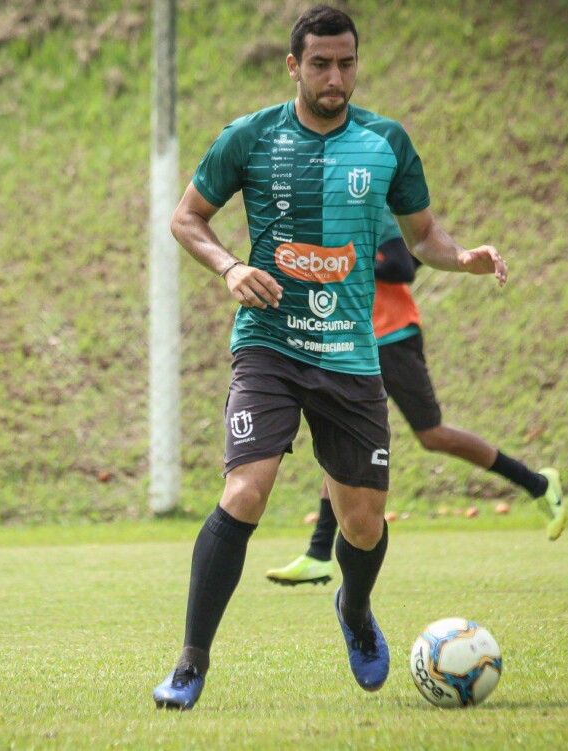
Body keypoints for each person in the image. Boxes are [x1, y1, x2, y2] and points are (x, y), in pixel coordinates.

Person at [152, 5, 508, 711]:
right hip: (269, 345)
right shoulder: (249, 137)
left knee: (363, 525)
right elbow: (186, 217)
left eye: (346, 63)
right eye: (320, 63)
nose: (334, 76)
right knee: (245, 492)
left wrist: (463, 258)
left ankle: (353, 609)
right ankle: (191, 662)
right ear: (294, 66)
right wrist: (227, 267)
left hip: (350, 356)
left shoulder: (386, 142)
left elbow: (425, 236)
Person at [265, 208, 566, 587]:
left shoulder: (374, 215)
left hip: (393, 338)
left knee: (433, 434)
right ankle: (319, 553)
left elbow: (404, 267)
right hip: (354, 344)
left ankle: (538, 484)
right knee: (344, 435)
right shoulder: (322, 218)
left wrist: (345, 269)